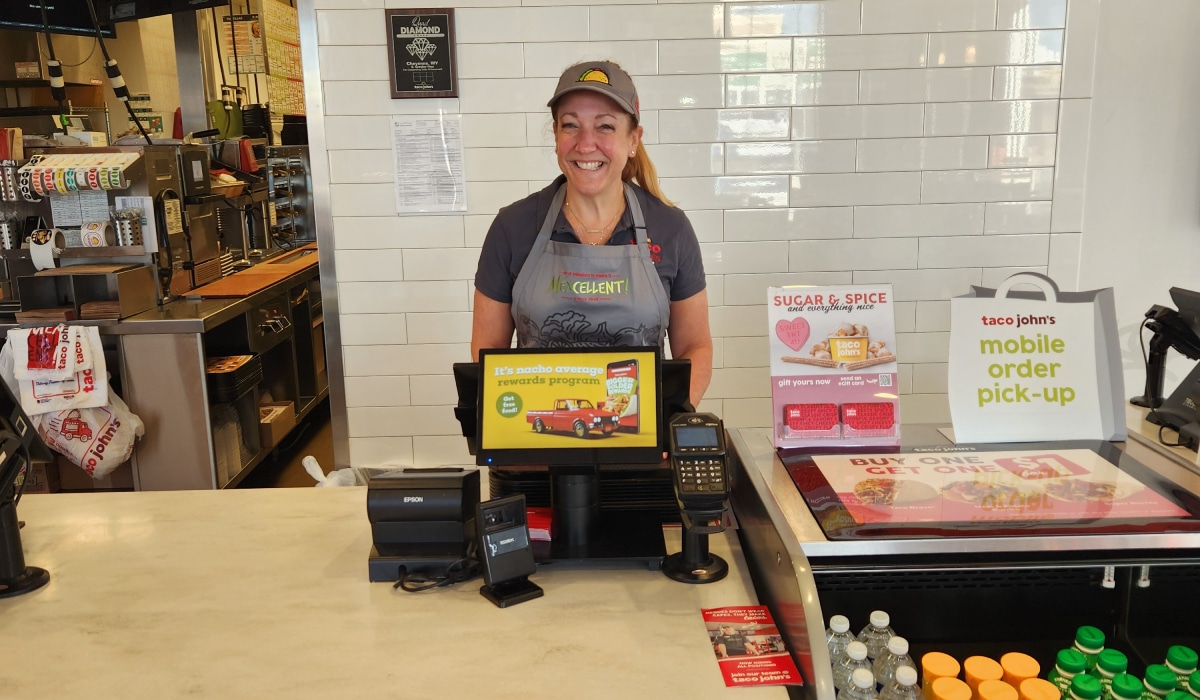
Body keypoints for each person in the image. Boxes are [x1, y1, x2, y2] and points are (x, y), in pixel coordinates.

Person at [471, 60, 713, 406]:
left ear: (633, 140)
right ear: (555, 136)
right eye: (571, 125)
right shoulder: (513, 227)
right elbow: (487, 351)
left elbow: (695, 346)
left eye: (605, 127)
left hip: (641, 447)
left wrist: (669, 422)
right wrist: (511, 434)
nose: (586, 144)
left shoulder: (670, 228)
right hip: (538, 441)